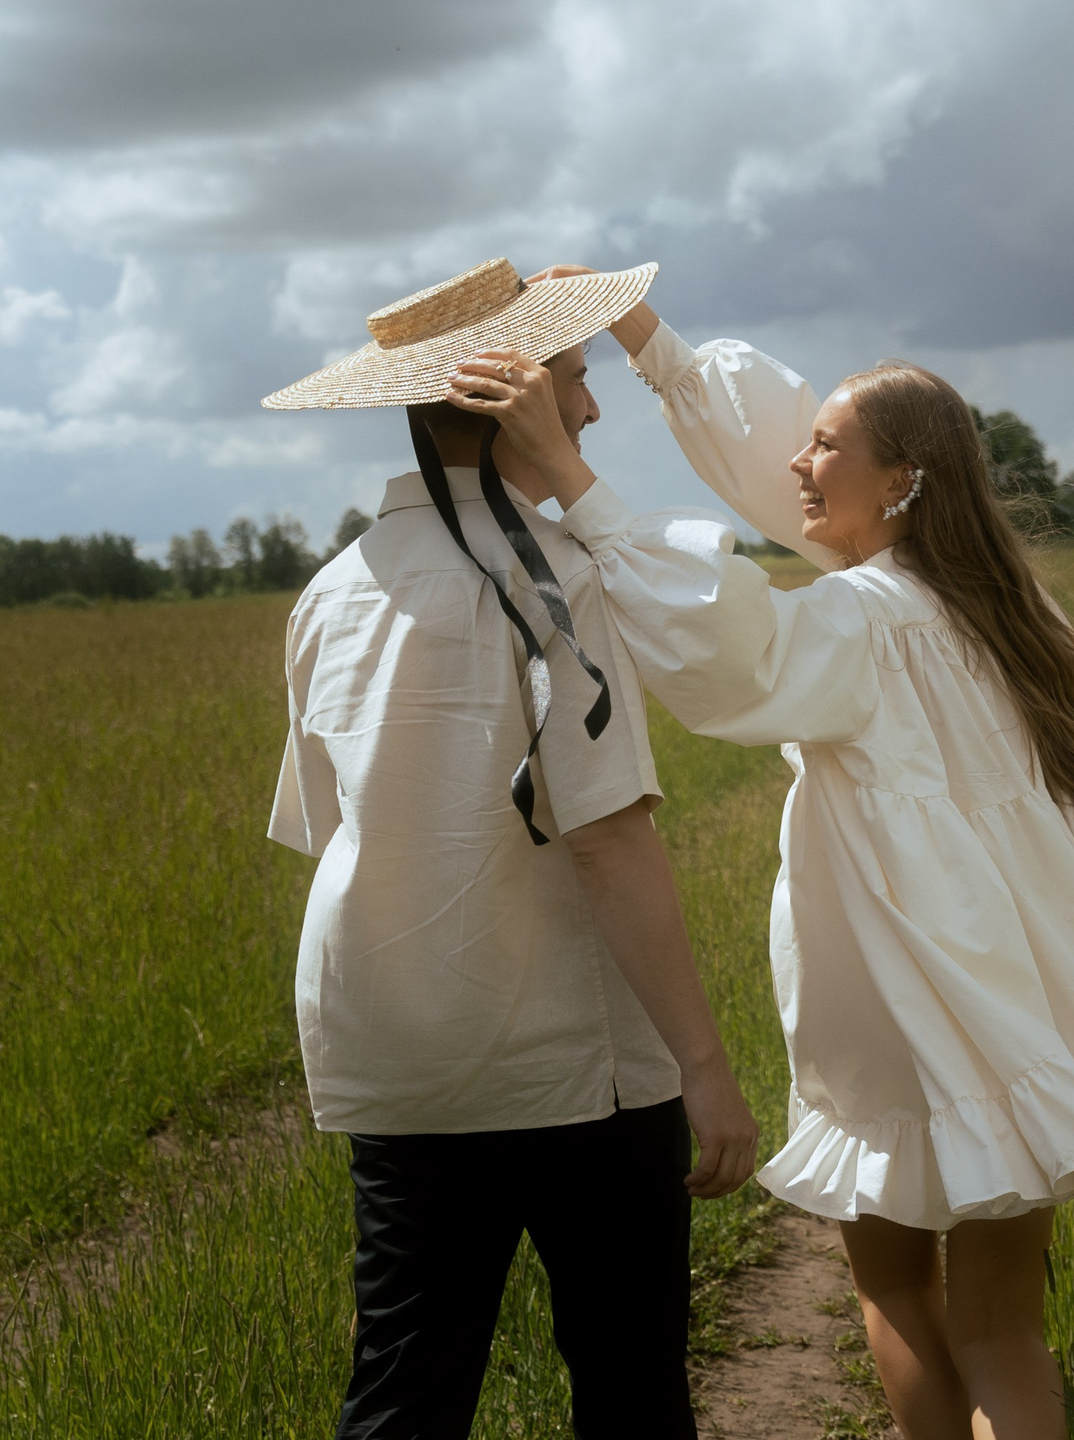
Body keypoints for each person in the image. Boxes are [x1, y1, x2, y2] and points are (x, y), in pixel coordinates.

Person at [442, 277, 1074, 1440]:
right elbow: (789, 487)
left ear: (900, 480)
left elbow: (726, 650)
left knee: (894, 1289)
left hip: (904, 1003)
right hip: (1019, 1009)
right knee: (1006, 1329)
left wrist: (568, 473)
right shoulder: (1008, 615)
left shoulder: (862, 625)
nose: (797, 465)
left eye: (824, 446)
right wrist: (648, 342)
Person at [261, 258, 762, 1440]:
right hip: (569, 1062)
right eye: (575, 381)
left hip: (394, 1051)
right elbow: (606, 839)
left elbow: (329, 834)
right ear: (513, 399)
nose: (589, 409)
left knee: (404, 1392)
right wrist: (704, 1065)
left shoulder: (328, 594)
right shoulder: (560, 579)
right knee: (629, 1382)